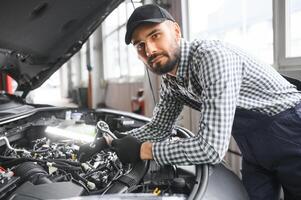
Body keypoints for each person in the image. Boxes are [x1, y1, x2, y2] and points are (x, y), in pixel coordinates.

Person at [80, 4, 301, 200]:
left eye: (155, 35)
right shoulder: (172, 81)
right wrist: (115, 142)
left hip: (291, 132)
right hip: (252, 144)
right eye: (140, 45)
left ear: (176, 31)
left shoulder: (212, 58)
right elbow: (158, 128)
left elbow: (211, 149)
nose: (150, 50)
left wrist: (144, 150)